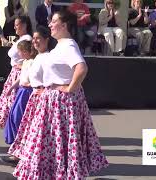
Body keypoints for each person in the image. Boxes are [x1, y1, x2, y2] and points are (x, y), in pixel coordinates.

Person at [13, 10, 108, 179]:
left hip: (61, 103)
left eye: (54, 21)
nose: (50, 24)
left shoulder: (68, 45)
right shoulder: (60, 45)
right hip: (53, 100)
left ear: (64, 25)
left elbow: (81, 68)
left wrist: (69, 88)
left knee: (53, 141)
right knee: (50, 142)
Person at [5, 26, 52, 165]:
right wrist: (13, 87)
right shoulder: (36, 58)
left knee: (27, 125)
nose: (35, 41)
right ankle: (19, 154)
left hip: (35, 94)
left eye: (39, 39)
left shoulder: (47, 57)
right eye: (34, 39)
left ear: (46, 40)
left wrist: (44, 90)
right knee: (20, 122)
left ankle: (23, 156)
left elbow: (51, 78)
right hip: (28, 94)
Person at [0, 15, 33, 129]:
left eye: (17, 25)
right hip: (14, 73)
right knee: (10, 100)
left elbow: (29, 58)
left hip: (20, 74)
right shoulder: (21, 39)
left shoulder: (27, 39)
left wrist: (22, 66)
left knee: (14, 102)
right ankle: (11, 126)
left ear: (24, 25)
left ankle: (15, 127)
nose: (14, 27)